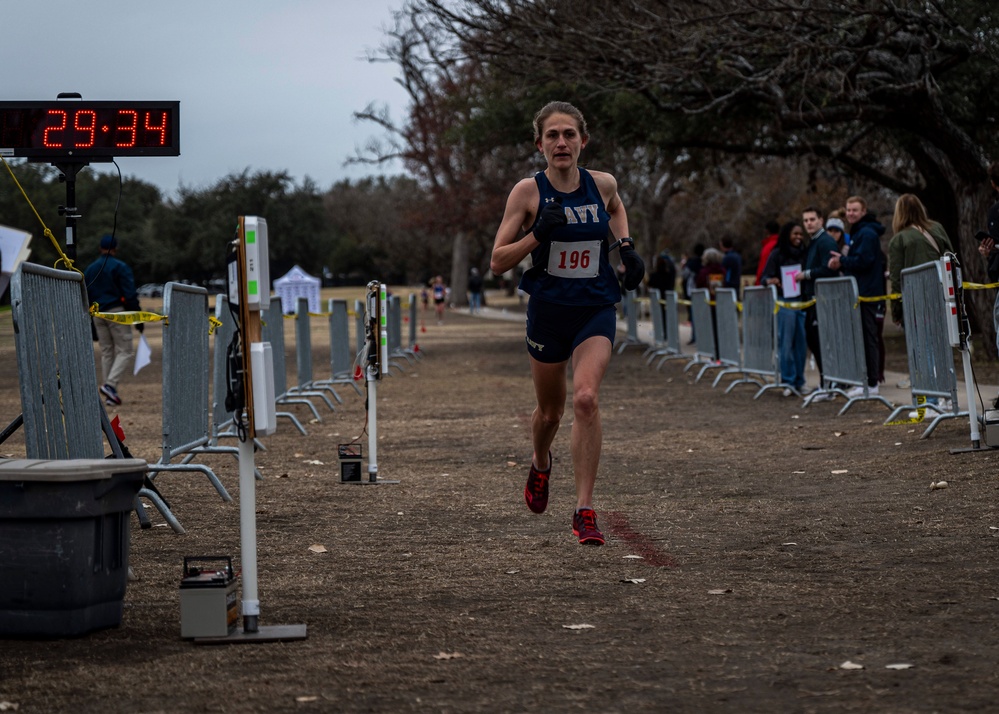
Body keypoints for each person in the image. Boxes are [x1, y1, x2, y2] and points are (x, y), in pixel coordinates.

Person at [489, 100, 644, 546]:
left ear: (583, 140)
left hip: (594, 306)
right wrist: (538, 233)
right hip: (548, 311)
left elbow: (615, 207)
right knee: (551, 412)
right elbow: (498, 261)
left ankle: (584, 511)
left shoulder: (603, 183)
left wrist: (627, 246)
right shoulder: (527, 193)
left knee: (586, 399)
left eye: (569, 134)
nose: (562, 142)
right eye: (552, 135)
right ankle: (540, 461)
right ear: (539, 144)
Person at [828, 196, 886, 397]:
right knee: (861, 337)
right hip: (860, 292)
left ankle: (871, 383)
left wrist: (842, 260)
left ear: (863, 211)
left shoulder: (867, 233)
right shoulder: (859, 232)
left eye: (855, 210)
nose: (851, 213)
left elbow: (864, 260)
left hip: (867, 293)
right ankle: (865, 381)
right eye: (848, 210)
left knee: (868, 337)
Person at [83, 234, 142, 406]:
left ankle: (110, 393)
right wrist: (136, 315)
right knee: (125, 350)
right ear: (115, 248)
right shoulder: (120, 267)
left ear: (100, 248)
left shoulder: (90, 269)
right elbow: (129, 293)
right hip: (116, 312)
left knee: (107, 351)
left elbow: (85, 292)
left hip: (97, 313)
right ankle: (110, 385)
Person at [761, 221, 809, 395]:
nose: (798, 237)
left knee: (801, 345)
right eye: (795, 234)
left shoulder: (805, 254)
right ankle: (788, 381)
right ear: (787, 234)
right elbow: (764, 277)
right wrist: (770, 281)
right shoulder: (777, 254)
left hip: (801, 303)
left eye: (800, 234)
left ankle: (799, 381)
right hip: (784, 303)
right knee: (786, 344)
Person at [798, 206, 839, 393]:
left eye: (812, 219)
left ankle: (829, 383)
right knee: (815, 342)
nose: (809, 223)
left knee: (822, 342)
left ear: (821, 220)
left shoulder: (825, 241)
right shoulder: (813, 242)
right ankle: (826, 382)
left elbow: (830, 269)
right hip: (812, 300)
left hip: (822, 300)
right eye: (806, 220)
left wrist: (806, 274)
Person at [755, 220, 780, 285]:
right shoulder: (782, 244)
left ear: (767, 231)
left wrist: (758, 283)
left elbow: (762, 267)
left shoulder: (768, 247)